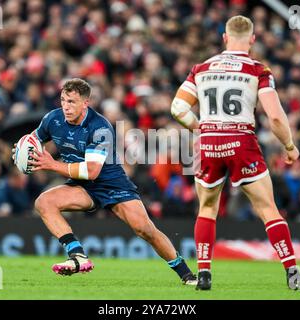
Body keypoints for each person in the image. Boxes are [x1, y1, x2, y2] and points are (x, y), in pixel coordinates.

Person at [171, 15, 300, 292]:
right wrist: (290, 146)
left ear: (225, 37)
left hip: (210, 143)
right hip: (241, 140)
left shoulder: (201, 68)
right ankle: (293, 275)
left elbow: (177, 109)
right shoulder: (257, 69)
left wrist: (201, 128)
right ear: (252, 39)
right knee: (268, 209)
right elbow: (275, 117)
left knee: (206, 209)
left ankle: (204, 274)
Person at [12, 78, 197, 285]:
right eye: (63, 100)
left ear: (85, 103)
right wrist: (25, 151)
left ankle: (186, 274)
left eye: (72, 102)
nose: (66, 106)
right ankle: (78, 256)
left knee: (145, 229)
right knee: (43, 202)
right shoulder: (52, 119)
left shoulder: (99, 127)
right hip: (82, 186)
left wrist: (51, 164)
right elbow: (34, 139)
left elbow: (91, 171)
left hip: (111, 184)